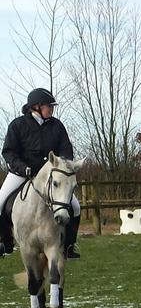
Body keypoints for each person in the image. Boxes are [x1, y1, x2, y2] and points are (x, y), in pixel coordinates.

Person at [1, 89, 81, 258]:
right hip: (22, 173)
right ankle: (5, 243)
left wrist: (63, 166)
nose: (51, 110)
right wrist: (22, 168)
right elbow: (8, 152)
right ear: (36, 107)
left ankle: (69, 246)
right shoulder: (17, 125)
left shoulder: (57, 126)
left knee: (75, 206)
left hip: (50, 176)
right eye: (48, 106)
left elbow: (66, 150)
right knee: (0, 202)